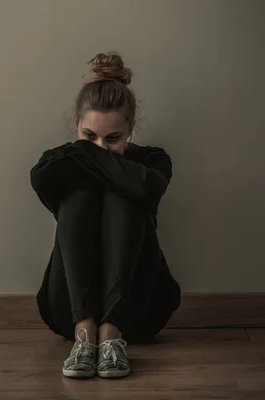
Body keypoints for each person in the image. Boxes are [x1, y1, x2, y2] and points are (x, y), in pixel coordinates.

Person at [30, 52, 181, 379]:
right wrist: (99, 156)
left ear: (130, 128)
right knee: (80, 195)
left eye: (113, 139)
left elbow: (147, 187)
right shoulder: (57, 163)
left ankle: (112, 333)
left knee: (124, 196)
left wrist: (85, 153)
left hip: (141, 309)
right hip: (67, 310)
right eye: (89, 137)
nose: (100, 147)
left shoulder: (152, 160)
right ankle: (86, 333)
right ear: (76, 126)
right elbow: (39, 178)